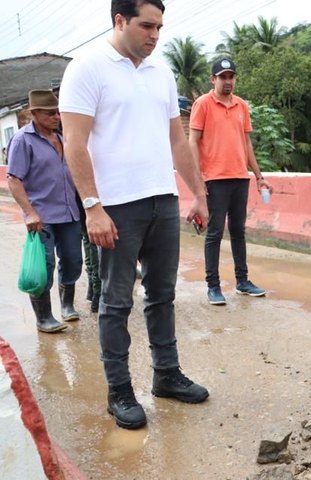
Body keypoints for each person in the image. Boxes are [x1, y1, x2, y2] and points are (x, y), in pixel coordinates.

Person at [59, 0, 210, 430]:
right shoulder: (87, 68)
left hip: (162, 200)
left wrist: (197, 193)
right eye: (147, 25)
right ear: (119, 20)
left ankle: (166, 374)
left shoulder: (160, 72)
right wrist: (93, 207)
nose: (155, 35)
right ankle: (120, 391)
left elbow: (178, 141)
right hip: (116, 207)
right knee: (116, 301)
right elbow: (74, 143)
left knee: (162, 294)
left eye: (160, 27)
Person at [189, 57, 272, 305]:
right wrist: (197, 179)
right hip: (214, 179)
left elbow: (246, 143)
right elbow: (193, 141)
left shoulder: (242, 106)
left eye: (231, 76)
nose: (228, 81)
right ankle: (213, 286)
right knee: (214, 233)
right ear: (213, 79)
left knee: (238, 232)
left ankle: (242, 282)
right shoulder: (202, 104)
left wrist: (258, 176)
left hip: (239, 177)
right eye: (222, 77)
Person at [6, 89, 82, 333]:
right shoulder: (22, 140)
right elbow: (14, 179)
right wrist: (29, 213)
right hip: (42, 216)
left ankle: (67, 305)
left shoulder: (62, 137)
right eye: (50, 113)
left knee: (73, 259)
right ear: (34, 113)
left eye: (57, 112)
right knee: (44, 265)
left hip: (69, 212)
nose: (56, 117)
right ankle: (44, 317)